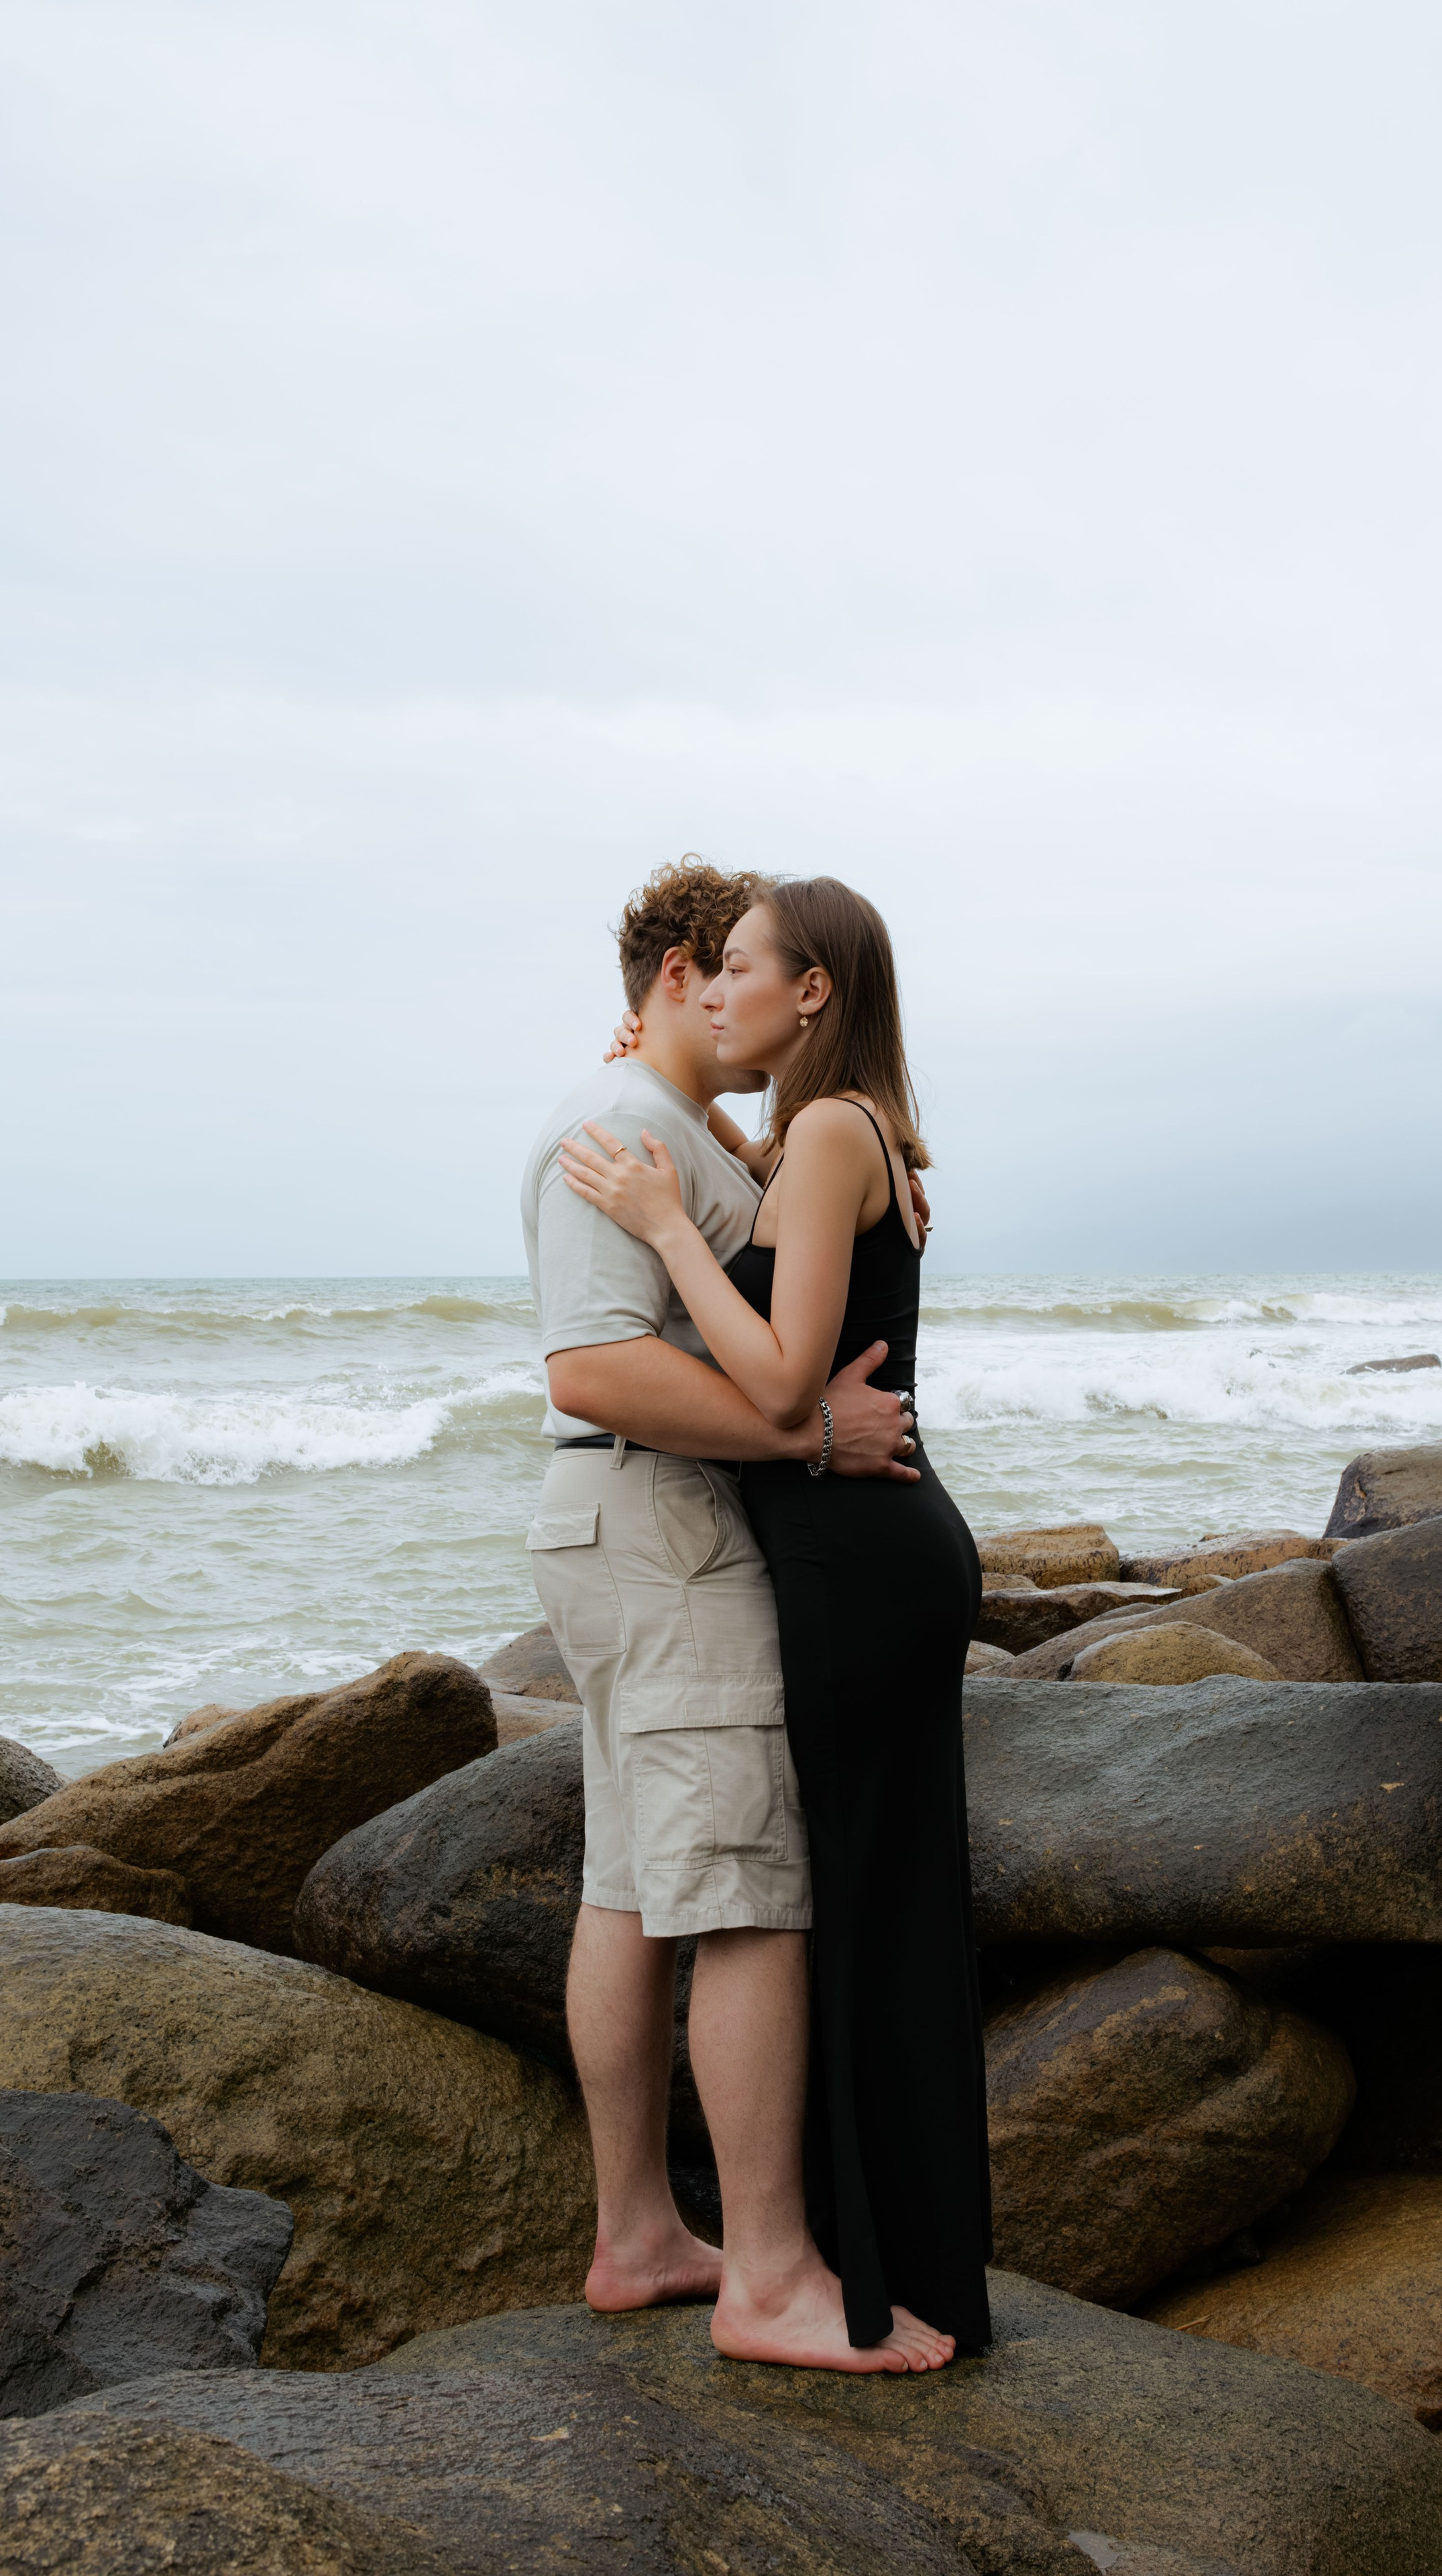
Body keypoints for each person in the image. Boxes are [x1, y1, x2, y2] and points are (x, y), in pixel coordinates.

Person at [521, 857, 956, 2375]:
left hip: (636, 1534)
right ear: (679, 978)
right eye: (719, 972)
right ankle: (767, 2276)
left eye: (754, 970)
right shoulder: (624, 1129)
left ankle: (640, 2231)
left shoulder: (682, 1129)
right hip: (660, 1535)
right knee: (748, 1889)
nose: (732, 998)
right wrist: (805, 1435)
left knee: (637, 1886)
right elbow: (589, 1367)